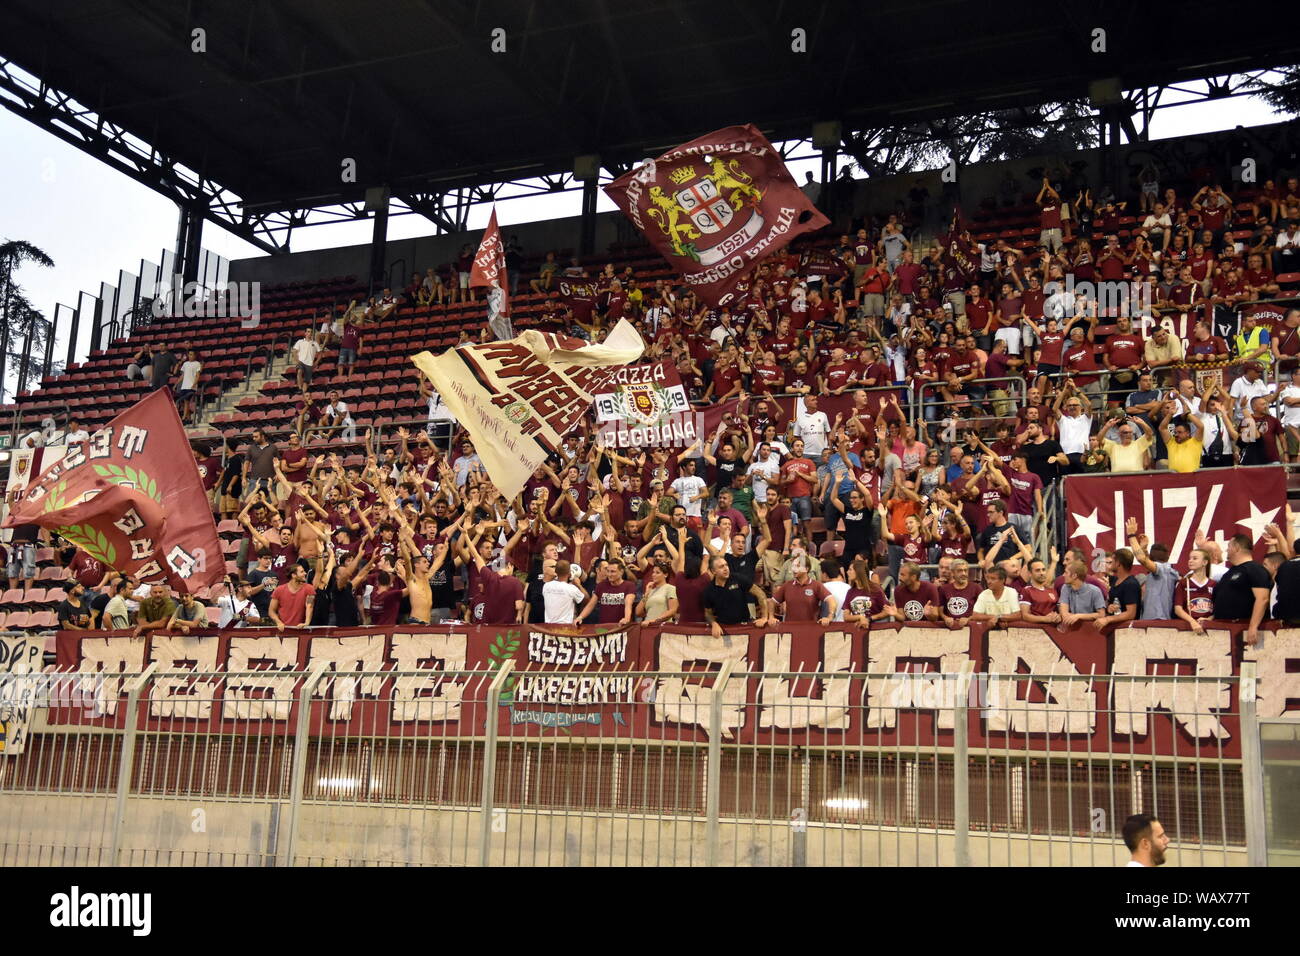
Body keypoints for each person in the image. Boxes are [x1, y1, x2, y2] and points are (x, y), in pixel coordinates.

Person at [1212, 534, 1271, 646]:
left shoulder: (1254, 569)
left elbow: (1262, 599)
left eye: (1229, 546)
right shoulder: (1229, 573)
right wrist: (1211, 617)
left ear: (1237, 548)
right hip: (1224, 630)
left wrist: (1253, 627)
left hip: (1244, 629)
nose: (1226, 549)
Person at [1124, 519, 1178, 621]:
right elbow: (1147, 562)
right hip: (1157, 620)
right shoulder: (1168, 571)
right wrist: (1143, 549)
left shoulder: (1163, 569)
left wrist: (1131, 535)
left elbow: (1141, 559)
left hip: (1158, 621)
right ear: (1168, 556)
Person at [702, 555, 768, 637]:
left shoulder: (738, 579)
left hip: (745, 626)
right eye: (721, 567)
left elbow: (760, 594)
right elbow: (708, 613)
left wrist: (764, 617)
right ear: (713, 571)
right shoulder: (709, 590)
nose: (726, 568)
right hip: (724, 629)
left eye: (726, 565)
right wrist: (713, 623)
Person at [771, 556, 835, 624]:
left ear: (806, 569)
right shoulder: (787, 585)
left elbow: (831, 600)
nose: (794, 569)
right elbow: (772, 602)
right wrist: (771, 617)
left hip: (810, 629)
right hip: (790, 629)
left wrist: (830, 617)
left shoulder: (816, 585)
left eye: (798, 566)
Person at [1173, 548, 1216, 634]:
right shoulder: (1183, 583)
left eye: (1195, 558)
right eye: (1190, 558)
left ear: (1205, 562)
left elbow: (1218, 609)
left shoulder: (1214, 584)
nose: (1190, 561)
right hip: (1188, 628)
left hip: (1209, 629)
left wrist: (1209, 619)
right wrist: (1192, 621)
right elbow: (1178, 609)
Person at [1058, 561, 1107, 629]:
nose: (1063, 575)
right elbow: (1064, 613)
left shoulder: (1095, 591)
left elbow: (1101, 614)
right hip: (1071, 628)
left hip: (1091, 630)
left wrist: (1078, 616)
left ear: (1074, 576)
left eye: (1066, 572)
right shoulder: (1065, 587)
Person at [269, 564, 316, 630]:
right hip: (284, 629)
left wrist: (306, 623)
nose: (305, 573)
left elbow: (310, 606)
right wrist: (278, 622)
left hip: (301, 629)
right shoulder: (279, 590)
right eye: (302, 572)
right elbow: (271, 611)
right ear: (293, 575)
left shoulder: (309, 588)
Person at [542, 559, 586, 625]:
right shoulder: (571, 589)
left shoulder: (546, 586)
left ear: (556, 571)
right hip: (565, 628)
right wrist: (578, 585)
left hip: (549, 627)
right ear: (569, 573)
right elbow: (587, 599)